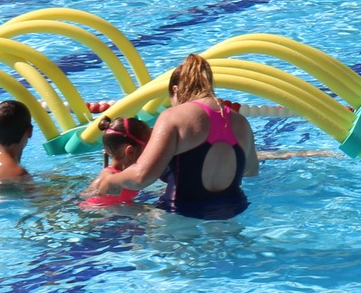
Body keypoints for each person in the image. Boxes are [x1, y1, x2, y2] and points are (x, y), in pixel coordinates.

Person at [88, 53, 258, 215]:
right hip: (232, 210)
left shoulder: (173, 117)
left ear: (176, 90)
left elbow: (142, 177)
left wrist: (110, 181)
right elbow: (250, 171)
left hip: (181, 214)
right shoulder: (241, 122)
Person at [85, 116, 154, 206]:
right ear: (130, 152)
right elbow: (102, 207)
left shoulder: (116, 176)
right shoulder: (114, 181)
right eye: (149, 148)